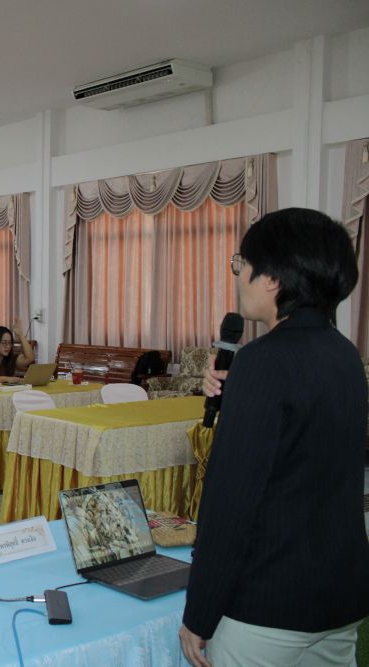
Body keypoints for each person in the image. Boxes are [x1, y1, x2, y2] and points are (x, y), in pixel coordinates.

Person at [179, 208, 369, 667]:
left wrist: (199, 612)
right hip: (339, 595)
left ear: (273, 279)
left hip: (268, 602)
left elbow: (232, 500)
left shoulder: (262, 361)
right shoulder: (346, 355)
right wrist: (236, 397)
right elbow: (305, 460)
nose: (239, 276)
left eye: (242, 263)